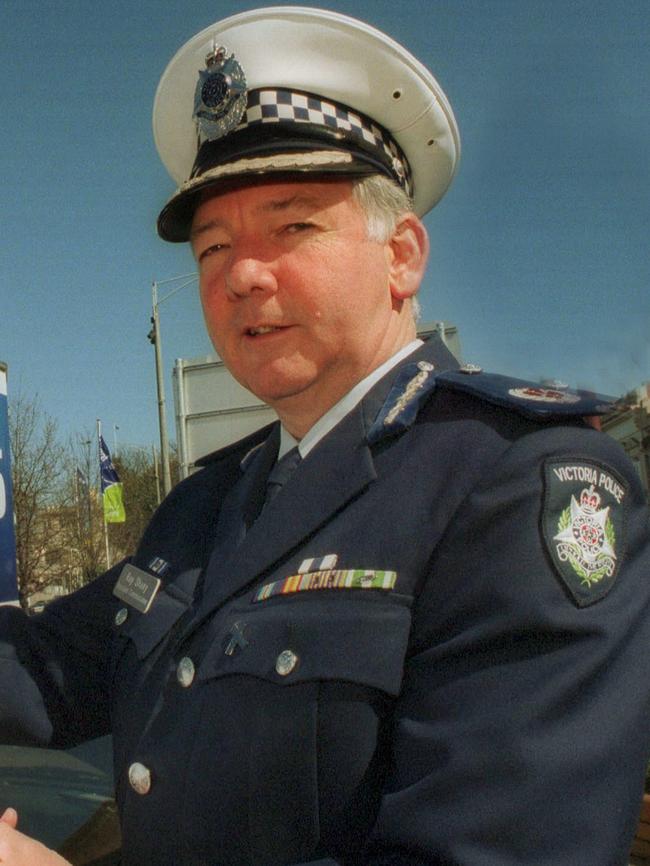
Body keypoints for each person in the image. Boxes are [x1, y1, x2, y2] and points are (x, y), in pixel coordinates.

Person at [1, 7, 649, 865]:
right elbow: (46, 666)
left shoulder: (520, 486)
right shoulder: (206, 506)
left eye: (293, 225)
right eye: (213, 246)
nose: (240, 274)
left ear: (403, 255)